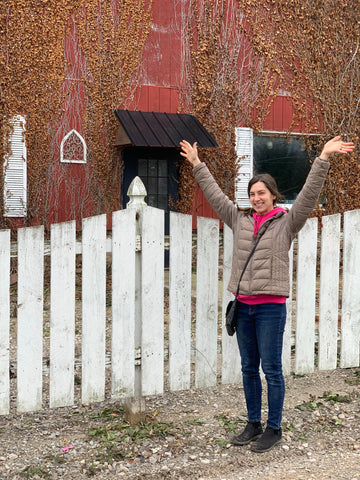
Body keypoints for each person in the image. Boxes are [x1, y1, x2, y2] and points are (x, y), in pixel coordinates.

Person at [179, 135, 355, 453]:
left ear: (273, 195)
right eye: (252, 194)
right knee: (248, 368)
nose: (256, 198)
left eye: (262, 193)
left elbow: (309, 194)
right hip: (244, 307)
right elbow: (215, 195)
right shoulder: (238, 219)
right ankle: (253, 424)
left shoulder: (287, 223)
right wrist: (196, 163)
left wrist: (323, 158)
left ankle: (273, 428)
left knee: (271, 369)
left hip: (271, 308)